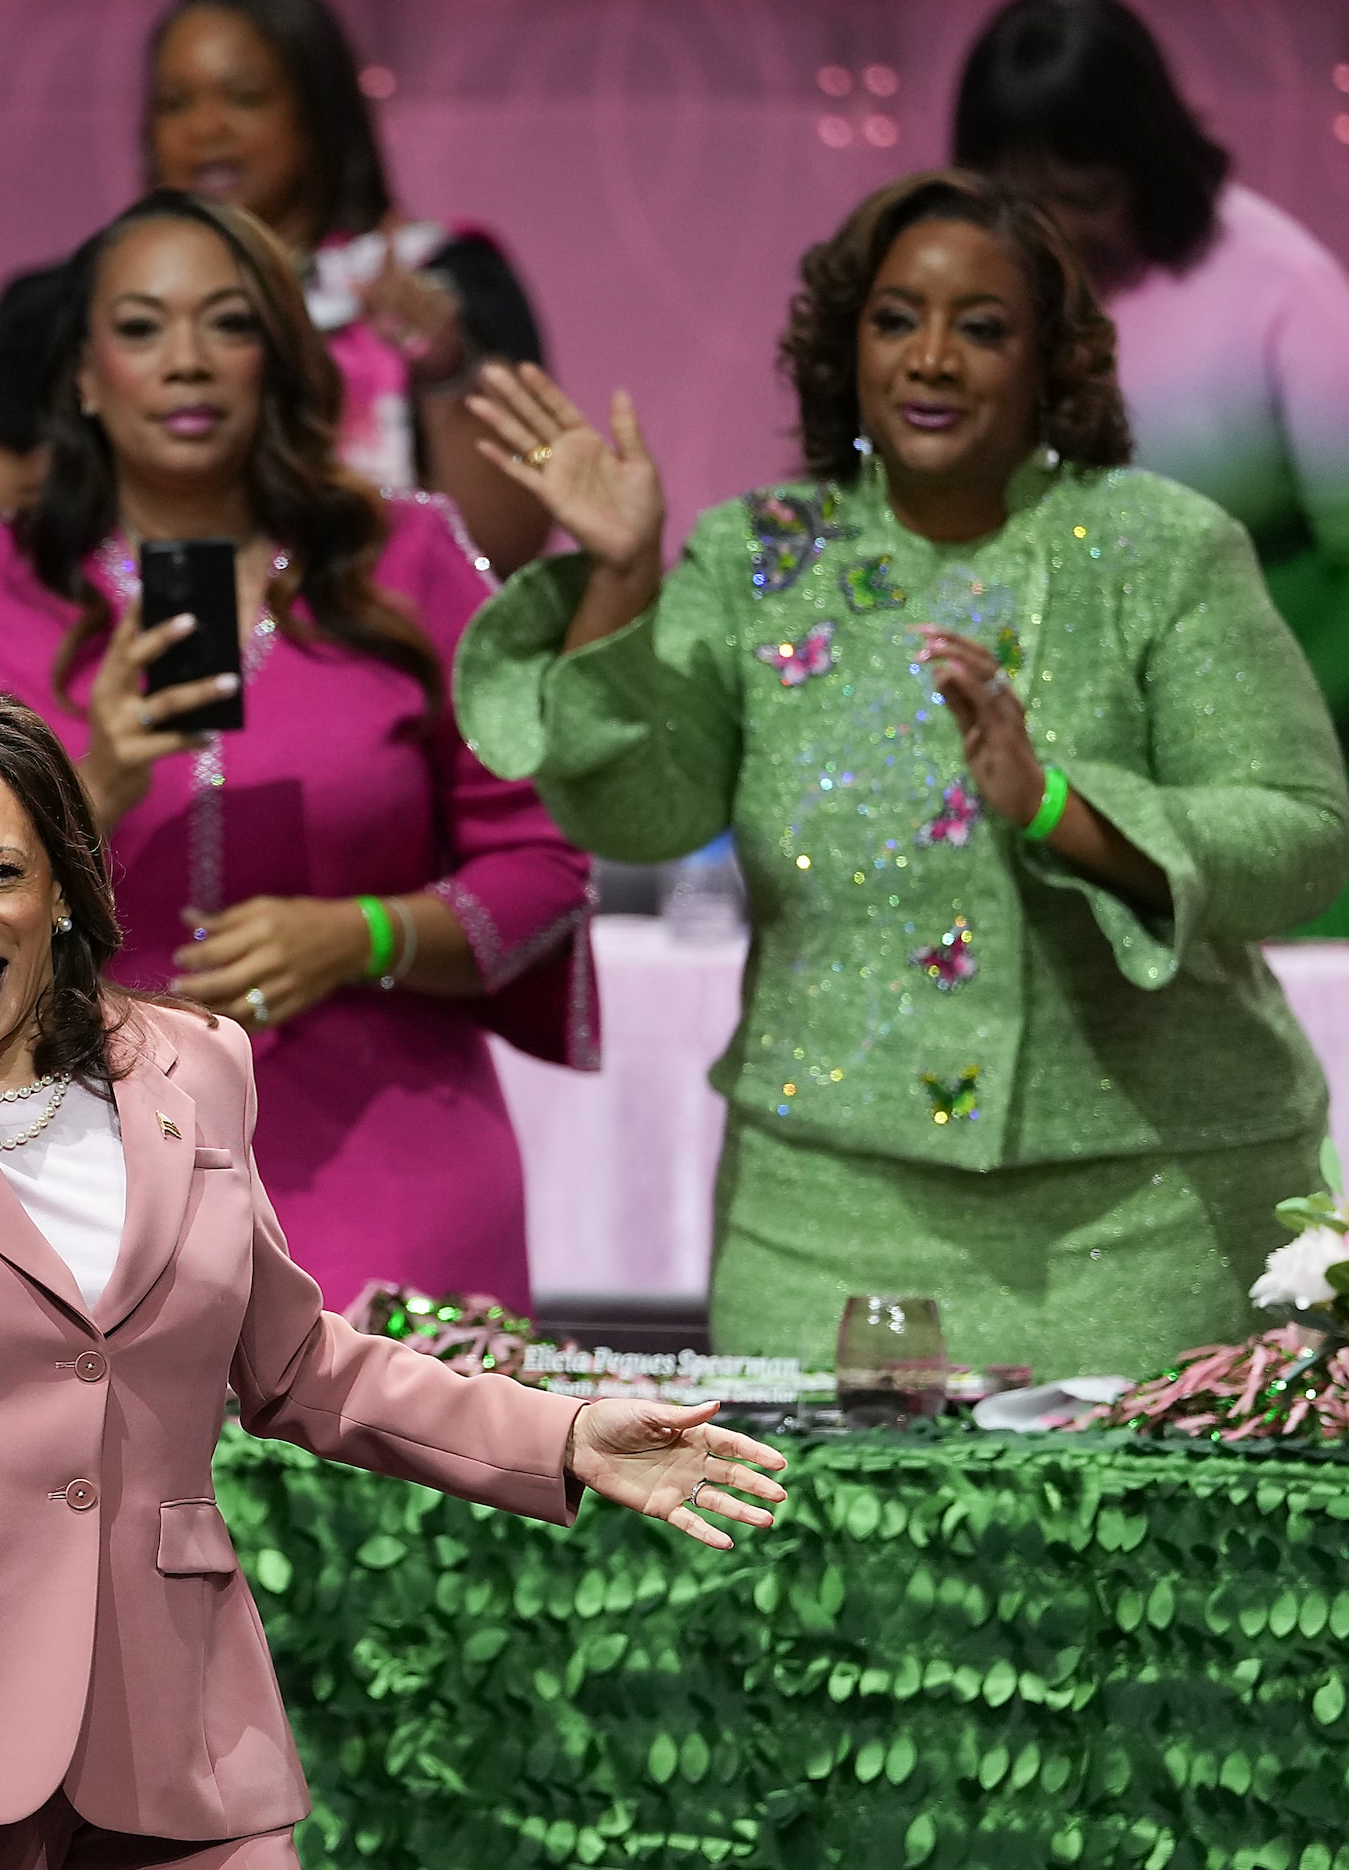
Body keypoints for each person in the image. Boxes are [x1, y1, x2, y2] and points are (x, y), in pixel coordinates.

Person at [0, 656, 784, 1865]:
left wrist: (560, 1434)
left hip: (173, 1731)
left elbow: (298, 1365)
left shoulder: (192, 1068)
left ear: (60, 885)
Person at [454, 169, 1349, 1379]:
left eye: (980, 328)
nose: (930, 357)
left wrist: (1058, 809)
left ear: (1049, 363)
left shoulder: (1163, 549)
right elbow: (641, 809)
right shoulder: (760, 553)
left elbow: (1299, 835)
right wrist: (617, 576)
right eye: (895, 320)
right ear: (847, 347)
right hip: (826, 1223)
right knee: (832, 1570)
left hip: (1151, 1214)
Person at [0, 192, 593, 1315]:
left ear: (278, 360)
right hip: (60, 1172)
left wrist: (358, 934)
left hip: (389, 1171)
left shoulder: (407, 558)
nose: (185, 362)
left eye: (226, 325)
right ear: (81, 374)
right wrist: (92, 787)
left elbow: (542, 869)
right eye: (139, 329)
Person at [0, 0, 551, 587]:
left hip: (390, 656)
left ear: (318, 112)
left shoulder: (444, 283)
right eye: (174, 103)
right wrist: (53, 496)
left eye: (244, 98)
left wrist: (446, 375)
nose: (206, 129)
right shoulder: (68, 305)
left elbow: (505, 550)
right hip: (131, 677)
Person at [954, 0, 1349, 932]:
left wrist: (1246, 736)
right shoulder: (984, 291)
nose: (1060, 231)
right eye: (1025, 198)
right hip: (1043, 780)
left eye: (1086, 197)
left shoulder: (1280, 287)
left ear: (1150, 163)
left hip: (1259, 783)